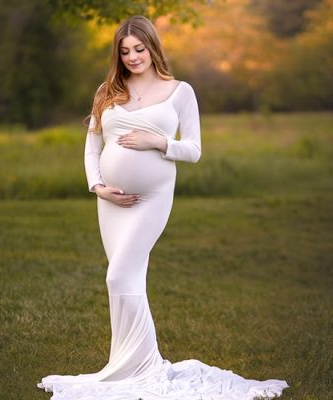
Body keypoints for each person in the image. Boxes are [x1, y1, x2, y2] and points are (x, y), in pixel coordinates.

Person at [37, 15, 288, 400]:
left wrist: (158, 143)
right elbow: (92, 147)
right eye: (125, 51)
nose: (133, 57)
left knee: (118, 277)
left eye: (139, 49)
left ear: (153, 47)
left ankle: (142, 368)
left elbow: (194, 150)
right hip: (111, 202)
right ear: (117, 55)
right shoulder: (107, 90)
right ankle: (129, 366)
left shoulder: (180, 92)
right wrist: (98, 187)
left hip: (152, 197)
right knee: (127, 279)